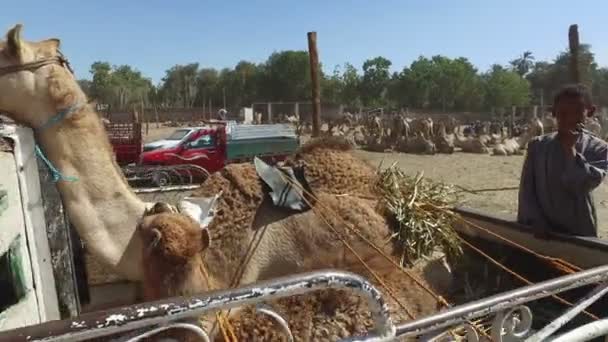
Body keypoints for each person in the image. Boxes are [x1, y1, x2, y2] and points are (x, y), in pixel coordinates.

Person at [518, 84, 608, 237]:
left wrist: (570, 150)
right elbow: (527, 190)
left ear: (590, 112)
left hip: (579, 231)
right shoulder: (538, 146)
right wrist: (535, 219)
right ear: (554, 113)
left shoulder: (599, 149)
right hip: (541, 231)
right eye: (563, 113)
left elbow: (583, 184)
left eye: (578, 112)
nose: (570, 119)